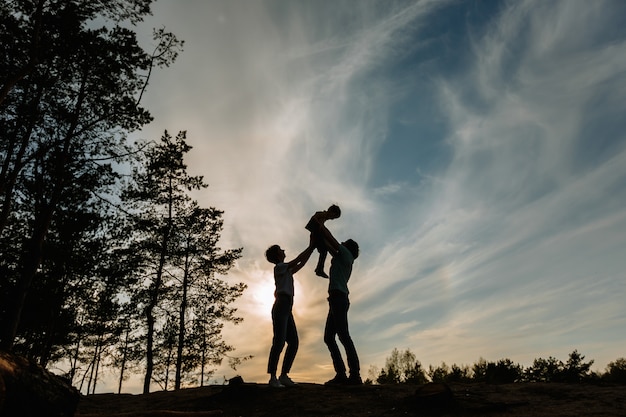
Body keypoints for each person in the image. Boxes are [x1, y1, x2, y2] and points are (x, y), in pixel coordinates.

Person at [265, 239, 315, 388]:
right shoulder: (279, 267)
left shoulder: (285, 269)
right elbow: (297, 260)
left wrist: (311, 250)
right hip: (281, 306)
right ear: (277, 255)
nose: (284, 250)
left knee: (293, 342)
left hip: (287, 308)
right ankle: (273, 377)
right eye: (281, 249)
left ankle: (284, 375)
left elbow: (301, 263)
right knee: (279, 342)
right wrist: (311, 246)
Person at [316, 223, 362, 385]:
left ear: (347, 247)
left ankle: (354, 374)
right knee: (329, 337)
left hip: (339, 299)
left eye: (343, 244)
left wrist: (320, 225)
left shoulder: (345, 254)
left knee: (343, 335)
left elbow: (331, 239)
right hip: (336, 299)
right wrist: (319, 238)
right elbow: (329, 245)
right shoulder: (341, 256)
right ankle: (341, 374)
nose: (341, 244)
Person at [305, 204, 341, 278]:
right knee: (324, 248)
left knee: (322, 251)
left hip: (316, 233)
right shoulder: (323, 214)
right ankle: (320, 269)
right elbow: (314, 217)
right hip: (316, 232)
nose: (332, 219)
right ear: (331, 211)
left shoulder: (324, 217)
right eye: (333, 217)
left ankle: (319, 268)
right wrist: (320, 225)